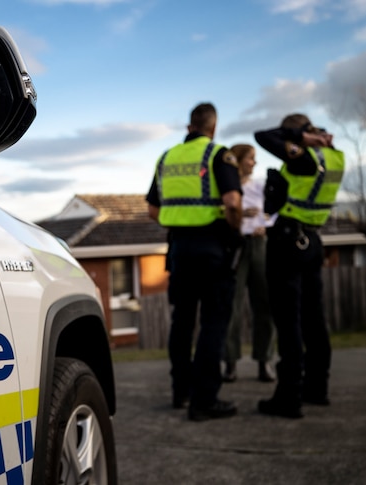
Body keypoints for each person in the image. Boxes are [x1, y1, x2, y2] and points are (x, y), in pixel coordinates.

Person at [146, 102, 243, 422]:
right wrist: (234, 227)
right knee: (214, 322)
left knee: (182, 323)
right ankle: (205, 399)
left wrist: (180, 220)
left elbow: (153, 210)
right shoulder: (219, 154)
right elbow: (232, 201)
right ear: (213, 127)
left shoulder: (167, 157)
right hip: (214, 247)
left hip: (180, 249)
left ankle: (181, 392)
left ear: (190, 125)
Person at [254, 114, 345, 419]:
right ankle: (317, 388)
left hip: (288, 241)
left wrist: (299, 136)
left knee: (288, 320)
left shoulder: (305, 157)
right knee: (313, 319)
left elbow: (262, 136)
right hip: (312, 241)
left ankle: (289, 396)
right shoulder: (332, 156)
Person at [222, 144, 277, 383]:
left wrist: (266, 225)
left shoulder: (260, 187)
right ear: (239, 160)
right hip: (235, 246)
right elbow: (222, 211)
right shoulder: (227, 187)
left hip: (259, 246)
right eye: (250, 158)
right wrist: (240, 215)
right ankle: (231, 363)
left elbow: (275, 212)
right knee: (231, 306)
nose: (254, 163)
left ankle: (264, 362)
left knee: (264, 304)